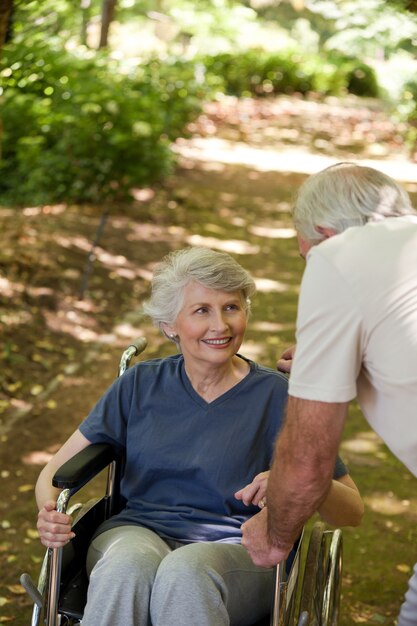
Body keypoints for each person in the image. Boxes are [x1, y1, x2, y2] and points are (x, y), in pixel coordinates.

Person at [36, 246, 363, 626]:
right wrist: (49, 514)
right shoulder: (140, 385)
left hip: (237, 549)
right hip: (135, 532)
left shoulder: (278, 396)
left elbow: (352, 510)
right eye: (201, 310)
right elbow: (52, 474)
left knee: (186, 572)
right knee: (127, 565)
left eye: (231, 307)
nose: (220, 326)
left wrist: (300, 480)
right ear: (169, 325)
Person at [240, 163, 417, 626]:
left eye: (304, 256)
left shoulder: (337, 256)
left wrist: (275, 537)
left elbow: (307, 460)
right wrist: (343, 352)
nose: (309, 265)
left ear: (322, 234)